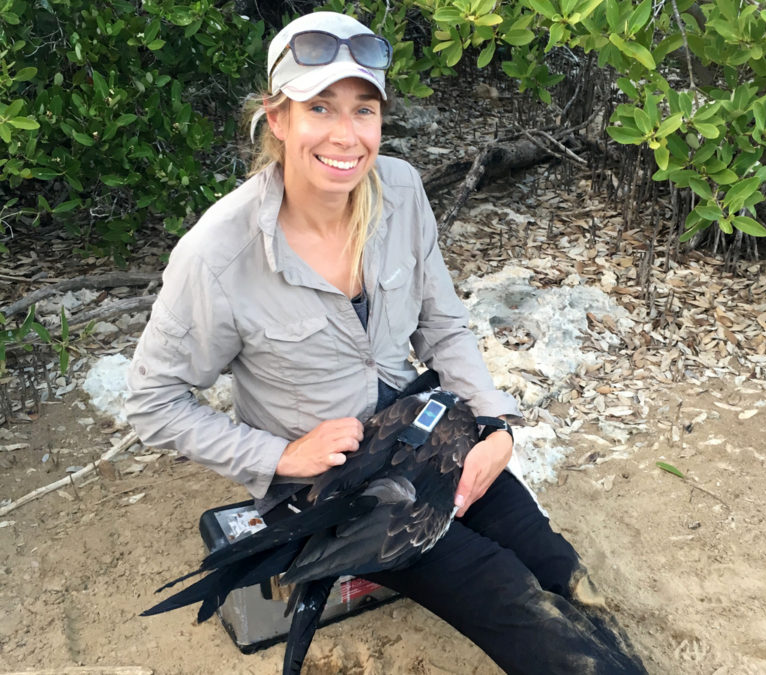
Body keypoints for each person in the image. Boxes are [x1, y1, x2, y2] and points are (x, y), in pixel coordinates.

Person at [125, 10, 645, 674]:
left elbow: (444, 325)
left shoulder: (398, 189)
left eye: (364, 111)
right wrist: (279, 453)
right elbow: (152, 401)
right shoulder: (218, 254)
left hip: (419, 431)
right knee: (508, 596)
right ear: (278, 118)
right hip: (335, 490)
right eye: (321, 107)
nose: (347, 136)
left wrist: (492, 424)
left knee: (554, 563)